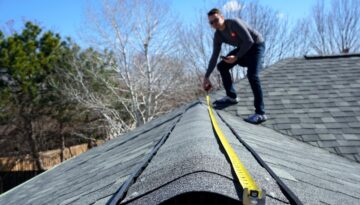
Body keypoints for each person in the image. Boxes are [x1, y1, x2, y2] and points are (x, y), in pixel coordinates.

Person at [203, 8, 267, 124]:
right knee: (222, 66)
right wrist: (206, 77)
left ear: (222, 17)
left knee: (252, 75)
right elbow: (214, 56)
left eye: (216, 20)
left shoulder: (234, 23)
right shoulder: (218, 35)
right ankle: (231, 97)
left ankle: (260, 113)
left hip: (256, 46)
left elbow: (249, 41)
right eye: (211, 22)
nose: (214, 24)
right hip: (243, 48)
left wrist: (236, 57)